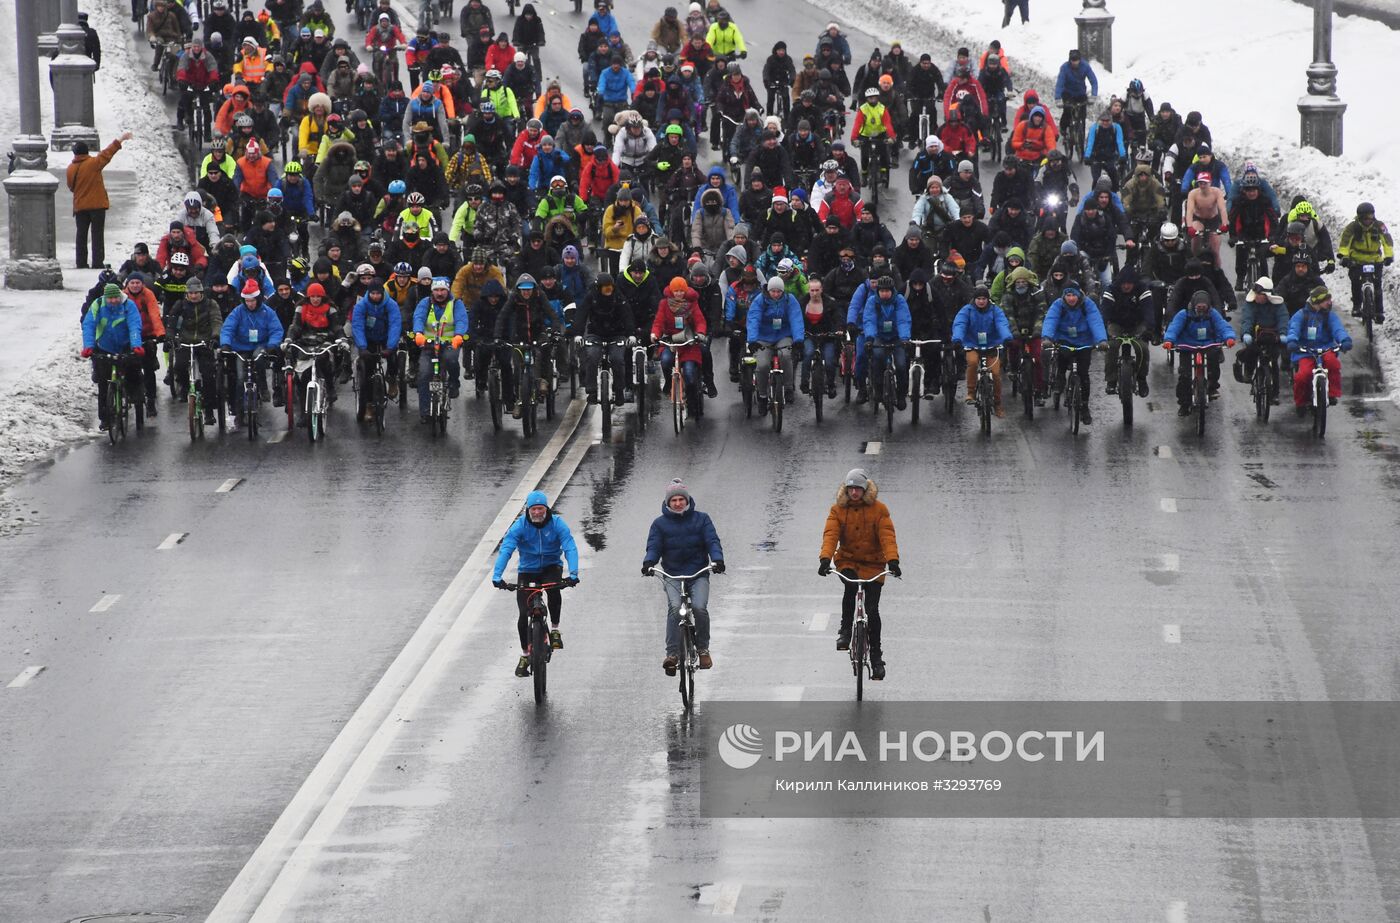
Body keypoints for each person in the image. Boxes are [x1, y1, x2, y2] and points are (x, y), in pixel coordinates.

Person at [819, 469, 899, 681]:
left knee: (872, 611)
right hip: (848, 560)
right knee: (850, 588)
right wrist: (825, 559)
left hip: (874, 564)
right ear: (846, 490)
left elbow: (887, 536)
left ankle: (876, 658)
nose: (854, 493)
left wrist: (892, 560)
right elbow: (831, 534)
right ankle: (845, 632)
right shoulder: (838, 510)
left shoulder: (879, 510)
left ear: (865, 490)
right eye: (851, 488)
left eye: (858, 489)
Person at [492, 490, 580, 678]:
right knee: (524, 614)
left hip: (551, 567)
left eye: (541, 509)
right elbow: (506, 549)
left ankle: (555, 629)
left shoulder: (557, 524)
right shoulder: (519, 526)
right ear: (528, 510)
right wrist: (497, 576)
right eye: (534, 509)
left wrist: (573, 573)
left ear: (546, 509)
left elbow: (570, 547)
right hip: (528, 570)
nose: (537, 513)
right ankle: (525, 655)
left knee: (554, 590)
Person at [642, 479, 725, 674]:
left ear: (687, 501)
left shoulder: (702, 519)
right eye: (674, 500)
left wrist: (717, 560)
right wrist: (649, 563)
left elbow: (712, 541)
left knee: (699, 607)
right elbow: (654, 546)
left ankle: (703, 649)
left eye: (681, 499)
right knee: (674, 608)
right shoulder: (659, 524)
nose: (678, 503)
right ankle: (672, 654)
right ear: (668, 502)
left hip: (698, 574)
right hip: (672, 574)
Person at [219, 279, 286, 426]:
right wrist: (225, 345)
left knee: (259, 358)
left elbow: (276, 330)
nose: (250, 304)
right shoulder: (237, 312)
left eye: (252, 300)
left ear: (258, 298)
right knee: (240, 378)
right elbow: (228, 329)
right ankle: (239, 412)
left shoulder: (267, 312)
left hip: (260, 345)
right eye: (247, 301)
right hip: (241, 347)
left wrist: (272, 345)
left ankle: (262, 387)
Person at [81, 282, 145, 431]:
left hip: (125, 346)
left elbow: (134, 325)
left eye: (116, 297)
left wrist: (136, 345)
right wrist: (89, 346)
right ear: (105, 298)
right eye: (110, 298)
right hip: (104, 347)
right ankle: (105, 419)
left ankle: (137, 399)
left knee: (133, 375)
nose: (114, 301)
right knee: (103, 383)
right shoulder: (97, 305)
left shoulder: (129, 305)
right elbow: (89, 325)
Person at [1040, 281, 1108, 423]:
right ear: (1064, 296)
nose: (1071, 298)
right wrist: (1047, 338)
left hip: (1084, 342)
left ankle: (1084, 407)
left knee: (1084, 375)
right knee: (1062, 359)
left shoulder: (1087, 304)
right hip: (1064, 339)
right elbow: (1051, 320)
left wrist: (1101, 340)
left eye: (1074, 295)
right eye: (1068, 295)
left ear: (1079, 294)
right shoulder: (1058, 305)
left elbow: (1095, 321)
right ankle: (1060, 379)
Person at [1162, 289, 1236, 416]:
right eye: (1199, 306)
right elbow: (1174, 328)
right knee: (1184, 376)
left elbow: (1223, 326)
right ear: (1194, 305)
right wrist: (1169, 340)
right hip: (1187, 346)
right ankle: (1184, 404)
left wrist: (1229, 337)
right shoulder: (1184, 314)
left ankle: (1212, 386)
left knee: (1214, 367)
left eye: (1204, 306)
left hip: (1208, 345)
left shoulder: (1213, 314)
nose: (1201, 309)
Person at [66, 132, 133, 269]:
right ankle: (97, 262)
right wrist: (121, 139)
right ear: (87, 152)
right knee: (97, 235)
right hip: (96, 206)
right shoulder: (93, 163)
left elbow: (71, 187)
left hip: (80, 207)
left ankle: (81, 262)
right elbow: (108, 153)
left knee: (81, 235)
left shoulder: (70, 169)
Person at [165, 277, 223, 426]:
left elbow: (216, 321)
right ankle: (184, 388)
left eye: (197, 292)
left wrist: (215, 337)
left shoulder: (211, 304)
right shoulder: (180, 305)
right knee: (179, 366)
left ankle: (209, 411)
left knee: (209, 375)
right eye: (191, 293)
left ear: (201, 292)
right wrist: (170, 338)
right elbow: (171, 322)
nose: (194, 295)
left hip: (204, 342)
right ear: (187, 293)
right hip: (185, 341)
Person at [1286, 286, 1351, 411]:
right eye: (1326, 300)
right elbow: (1293, 328)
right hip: (1305, 351)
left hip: (1325, 349)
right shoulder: (1301, 315)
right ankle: (1300, 402)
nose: (1329, 302)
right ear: (1317, 301)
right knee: (1302, 376)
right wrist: (1292, 341)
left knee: (1333, 364)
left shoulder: (1329, 316)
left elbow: (1338, 329)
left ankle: (1332, 394)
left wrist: (1344, 340)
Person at [651, 277, 709, 417]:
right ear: (671, 291)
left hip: (688, 343)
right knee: (665, 361)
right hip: (671, 342)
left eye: (681, 291)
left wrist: (700, 333)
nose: (678, 294)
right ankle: (670, 384)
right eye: (675, 291)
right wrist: (655, 334)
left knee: (689, 373)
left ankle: (692, 404)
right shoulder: (664, 304)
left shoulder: (691, 303)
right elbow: (658, 321)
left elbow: (700, 320)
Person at [746, 274, 805, 414]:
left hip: (783, 335)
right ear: (768, 290)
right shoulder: (760, 300)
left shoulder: (790, 300)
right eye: (773, 291)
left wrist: (798, 340)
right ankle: (762, 396)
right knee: (762, 365)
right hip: (763, 337)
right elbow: (753, 319)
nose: (776, 294)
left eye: (779, 291)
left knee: (785, 356)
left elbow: (796, 319)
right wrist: (752, 340)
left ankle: (789, 387)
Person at [951, 284, 1013, 415]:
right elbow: (960, 324)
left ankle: (997, 404)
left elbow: (1001, 324)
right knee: (972, 362)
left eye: (984, 298)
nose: (981, 301)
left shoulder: (995, 310)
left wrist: (1006, 337)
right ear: (974, 299)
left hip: (992, 345)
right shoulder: (966, 310)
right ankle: (971, 393)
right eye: (978, 298)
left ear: (988, 299)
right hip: (972, 344)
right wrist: (957, 339)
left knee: (996, 374)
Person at [412, 277, 467, 422]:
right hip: (429, 345)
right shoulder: (425, 303)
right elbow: (418, 317)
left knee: (451, 360)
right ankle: (425, 412)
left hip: (449, 343)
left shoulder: (456, 303)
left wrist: (459, 335)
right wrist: (418, 333)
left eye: (443, 290)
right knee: (424, 374)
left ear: (448, 290)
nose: (439, 293)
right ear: (432, 291)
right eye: (436, 290)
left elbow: (461, 320)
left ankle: (454, 382)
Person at [1233, 276, 1289, 402]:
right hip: (1256, 336)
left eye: (1260, 294)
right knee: (1251, 352)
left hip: (1273, 337)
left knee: (1273, 362)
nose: (1257, 296)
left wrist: (1283, 333)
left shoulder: (1278, 304)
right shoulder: (1251, 303)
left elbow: (1283, 319)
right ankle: (1248, 373)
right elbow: (1247, 319)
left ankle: (1274, 394)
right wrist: (1246, 333)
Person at [1338, 202, 1394, 323]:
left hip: (1375, 260)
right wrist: (1344, 256)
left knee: (1378, 286)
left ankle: (1379, 312)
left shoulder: (1379, 226)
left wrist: (1389, 256)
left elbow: (1387, 241)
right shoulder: (1352, 227)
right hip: (1357, 260)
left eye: (1371, 217)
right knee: (1355, 282)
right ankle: (1357, 306)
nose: (1369, 220)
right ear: (1360, 217)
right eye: (1366, 218)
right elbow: (1345, 243)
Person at [861, 275, 911, 409]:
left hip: (896, 337)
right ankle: (878, 390)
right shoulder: (872, 301)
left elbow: (903, 320)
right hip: (879, 336)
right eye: (882, 291)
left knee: (901, 365)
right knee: (878, 359)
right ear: (878, 291)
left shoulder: (899, 300)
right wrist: (870, 338)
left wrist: (905, 338)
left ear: (892, 290)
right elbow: (869, 320)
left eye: (887, 291)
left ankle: (901, 395)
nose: (884, 293)